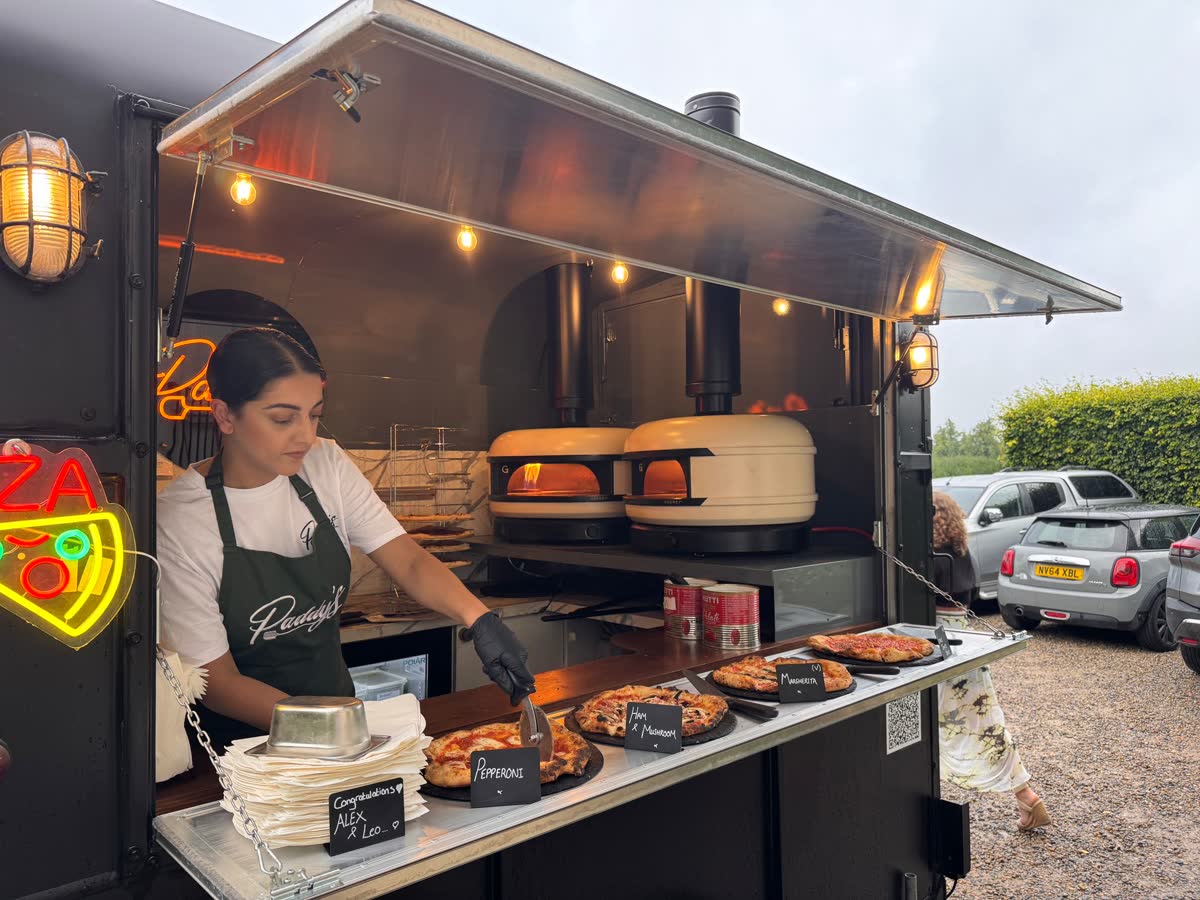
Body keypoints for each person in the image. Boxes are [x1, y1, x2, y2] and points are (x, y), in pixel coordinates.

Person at [4, 328, 535, 747]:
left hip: (341, 720)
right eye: (283, 418)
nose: (305, 435)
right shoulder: (184, 518)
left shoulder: (324, 466)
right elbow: (219, 681)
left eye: (313, 415)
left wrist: (478, 617)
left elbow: (407, 560)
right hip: (247, 747)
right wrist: (331, 728)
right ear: (225, 416)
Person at [932, 491, 1051, 833]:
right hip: (963, 641)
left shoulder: (932, 556)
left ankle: (1026, 795)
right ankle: (1025, 796)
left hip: (938, 646)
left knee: (943, 724)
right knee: (985, 723)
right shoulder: (960, 551)